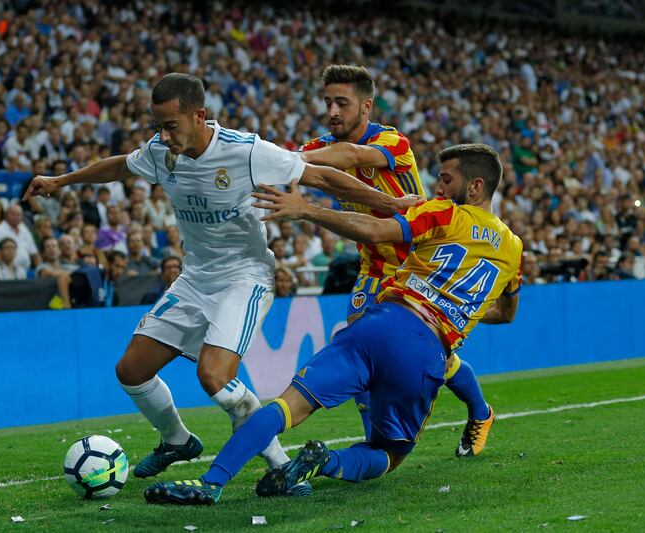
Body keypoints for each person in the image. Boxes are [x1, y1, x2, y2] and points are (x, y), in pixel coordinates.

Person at [22, 72, 417, 497]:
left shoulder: (245, 151)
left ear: (200, 116)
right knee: (131, 371)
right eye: (157, 125)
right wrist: (60, 181)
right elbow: (119, 165)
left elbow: (320, 176)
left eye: (171, 125)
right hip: (196, 278)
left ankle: (281, 467)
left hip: (246, 277)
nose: (163, 135)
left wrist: (392, 204)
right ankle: (178, 441)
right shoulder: (160, 152)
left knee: (213, 375)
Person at [145, 143, 523, 505]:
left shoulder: (446, 213)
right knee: (389, 453)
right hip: (428, 348)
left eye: (446, 179)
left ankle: (211, 483)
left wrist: (307, 210)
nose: (438, 187)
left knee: (287, 406)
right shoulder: (514, 249)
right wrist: (458, 313)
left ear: (475, 186)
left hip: (380, 323)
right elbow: (506, 315)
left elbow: (375, 231)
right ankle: (325, 461)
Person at [301, 65, 494, 457]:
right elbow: (292, 164)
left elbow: (350, 155)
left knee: (441, 357)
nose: (333, 111)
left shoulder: (393, 143)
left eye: (342, 102)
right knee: (361, 342)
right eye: (328, 103)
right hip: (373, 264)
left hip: (417, 264)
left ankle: (480, 411)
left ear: (366, 106)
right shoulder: (321, 145)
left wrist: (292, 160)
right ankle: (375, 441)